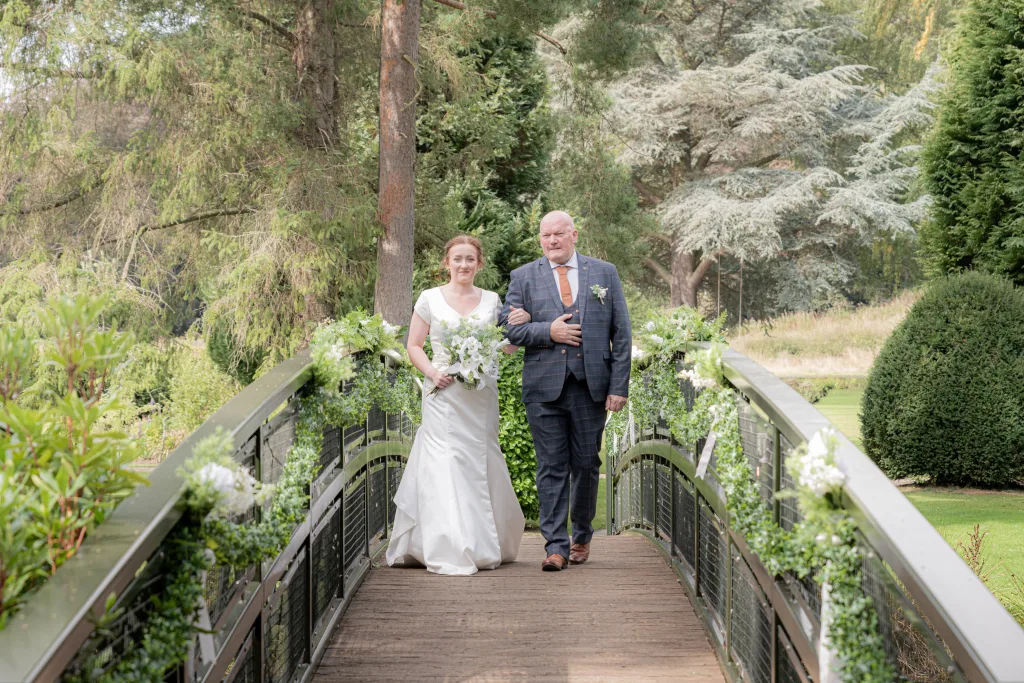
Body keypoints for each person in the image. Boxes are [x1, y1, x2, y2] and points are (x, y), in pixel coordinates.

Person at [387, 235, 530, 575]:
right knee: (446, 462)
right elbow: (414, 345)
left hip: (480, 396)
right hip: (442, 394)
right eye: (457, 259)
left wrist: (518, 326)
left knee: (480, 458)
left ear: (480, 263)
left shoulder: (494, 301)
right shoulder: (429, 299)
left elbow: (504, 348)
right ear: (446, 263)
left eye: (470, 259)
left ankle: (485, 540)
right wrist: (433, 373)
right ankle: (447, 543)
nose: (463, 265)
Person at [500, 211, 632, 571]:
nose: (552, 241)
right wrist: (548, 332)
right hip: (544, 388)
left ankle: (582, 536)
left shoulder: (603, 272)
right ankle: (555, 547)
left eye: (558, 234)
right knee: (551, 466)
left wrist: (619, 386)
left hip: (592, 386)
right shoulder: (523, 277)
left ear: (574, 234)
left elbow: (622, 333)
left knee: (587, 465)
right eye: (546, 236)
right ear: (540, 239)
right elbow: (507, 330)